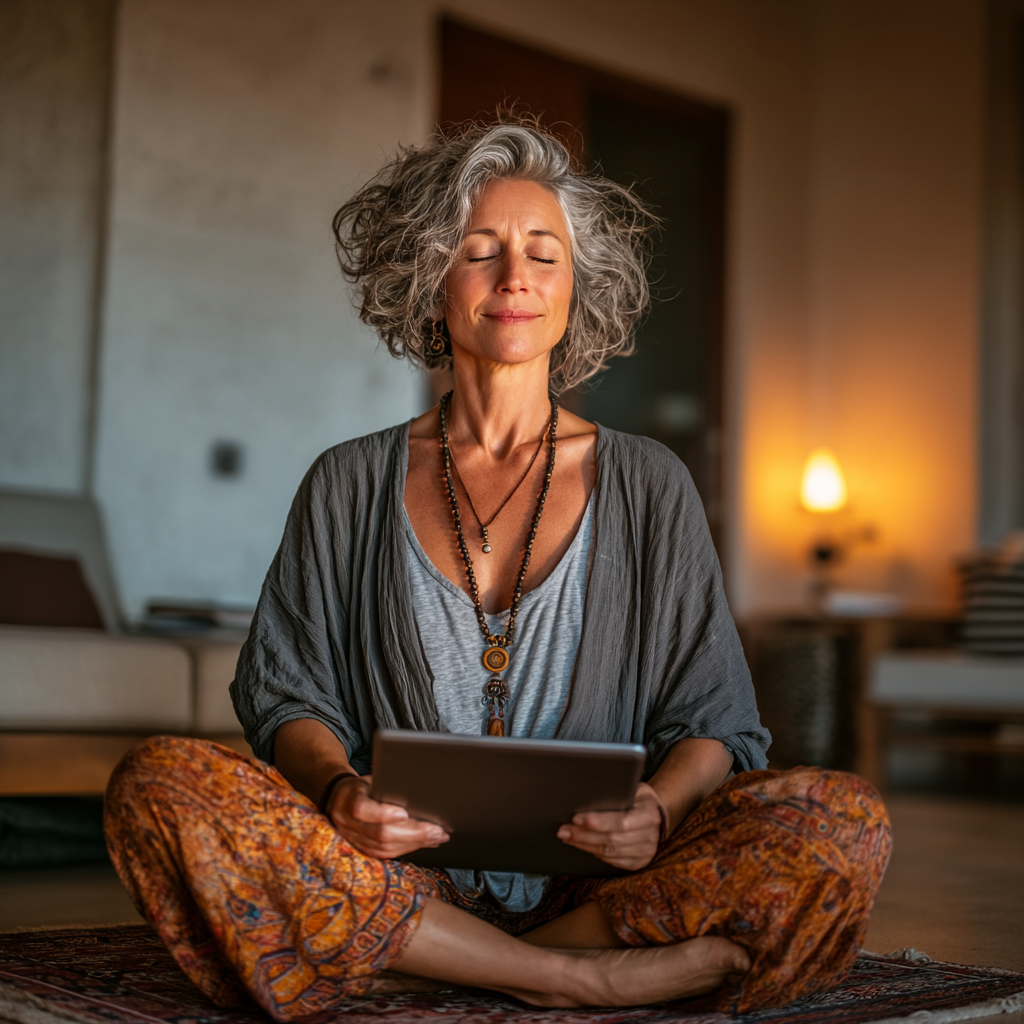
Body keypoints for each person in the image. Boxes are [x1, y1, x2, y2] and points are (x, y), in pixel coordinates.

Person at [104, 118, 891, 1020]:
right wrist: (341, 793)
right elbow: (289, 697)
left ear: (576, 291)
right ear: (431, 279)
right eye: (480, 251)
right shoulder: (347, 481)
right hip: (391, 877)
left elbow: (716, 719)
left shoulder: (649, 484)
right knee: (160, 784)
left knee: (842, 822)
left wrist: (660, 814)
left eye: (543, 255)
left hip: (599, 891)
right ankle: (569, 977)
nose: (514, 276)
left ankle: (418, 964)